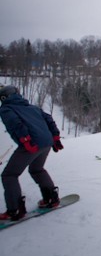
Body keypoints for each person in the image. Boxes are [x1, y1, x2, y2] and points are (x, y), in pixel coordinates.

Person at [0, 85, 64, 221]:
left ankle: (15, 209)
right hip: (46, 142)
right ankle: (51, 198)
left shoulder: (6, 109)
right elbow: (49, 119)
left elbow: (15, 124)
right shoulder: (31, 107)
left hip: (32, 144)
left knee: (9, 175)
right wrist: (55, 137)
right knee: (37, 169)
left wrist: (26, 141)